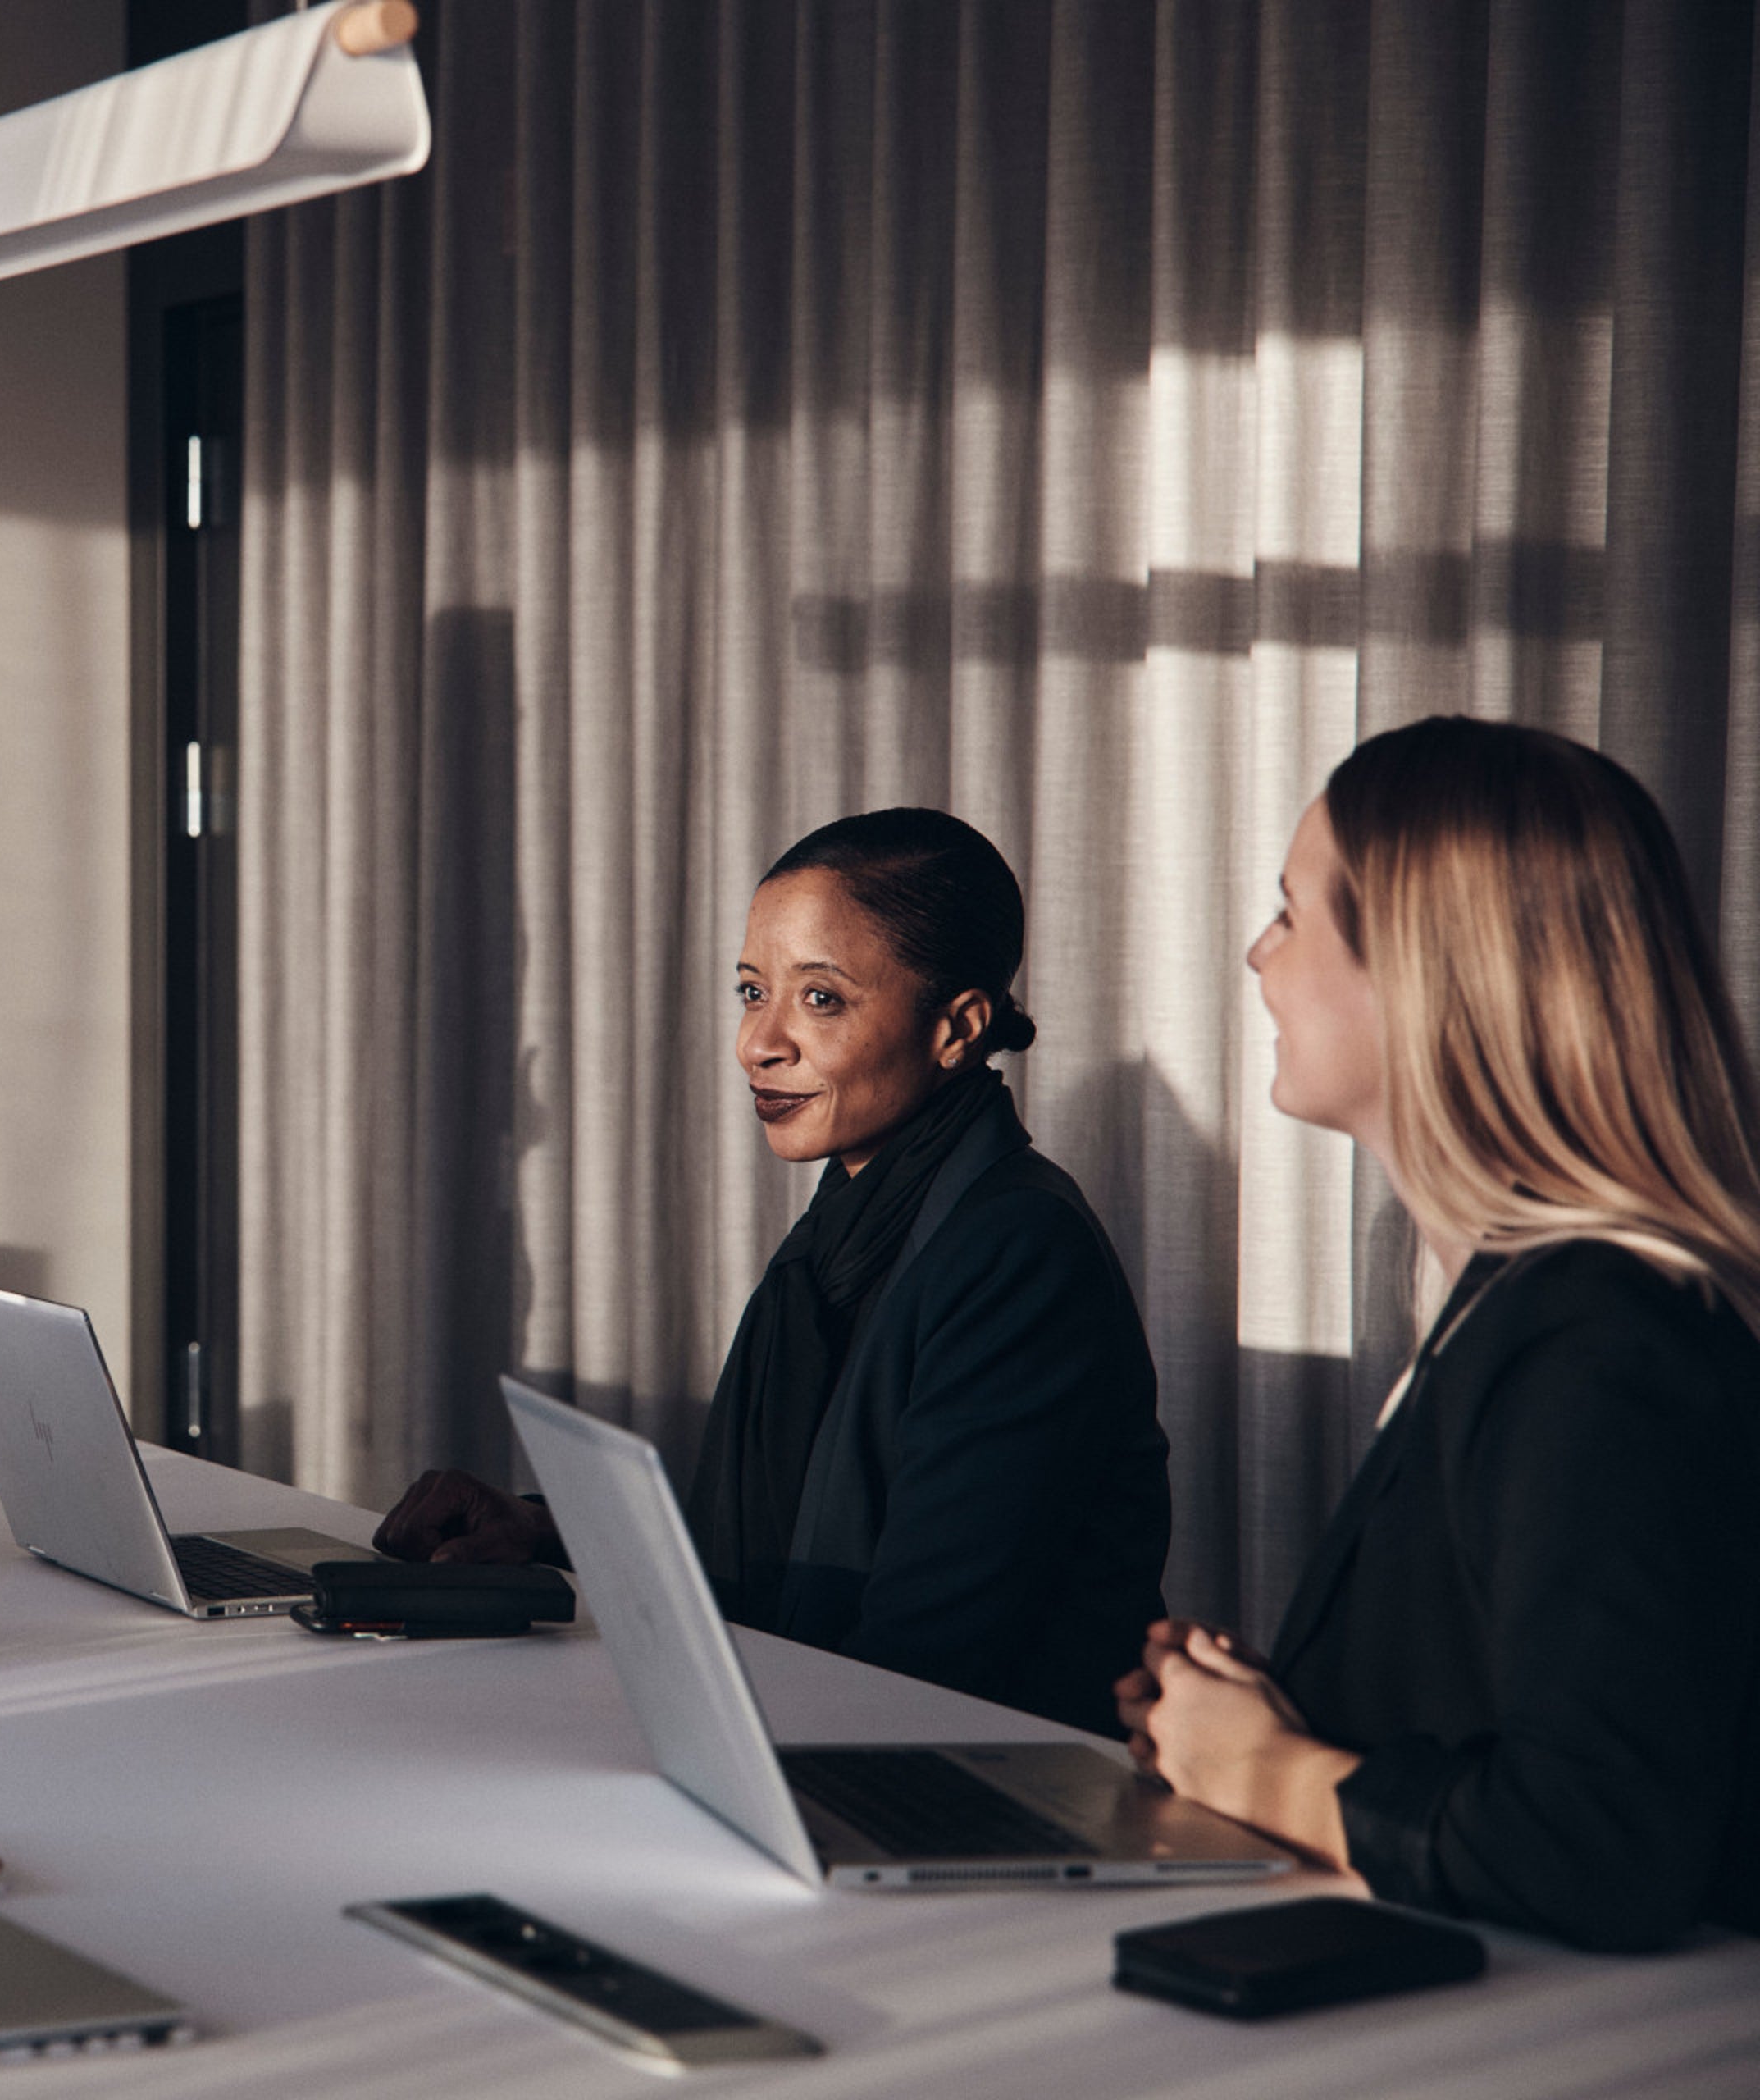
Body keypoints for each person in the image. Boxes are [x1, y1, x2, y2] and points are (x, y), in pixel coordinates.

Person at [1118, 718, 1760, 1952]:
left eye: (1293, 913)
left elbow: (1594, 1846)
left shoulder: (1600, 1341)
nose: (1259, 955)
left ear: (1422, 971)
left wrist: (1265, 1771)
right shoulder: (1506, 1301)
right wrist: (1279, 1712)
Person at [376, 810, 1170, 1735]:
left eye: (820, 999)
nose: (761, 1042)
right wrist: (547, 1534)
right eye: (753, 991)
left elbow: (925, 1661)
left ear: (957, 1028)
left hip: (959, 1797)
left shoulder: (1018, 1252)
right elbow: (775, 1539)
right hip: (830, 1747)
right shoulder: (850, 1220)